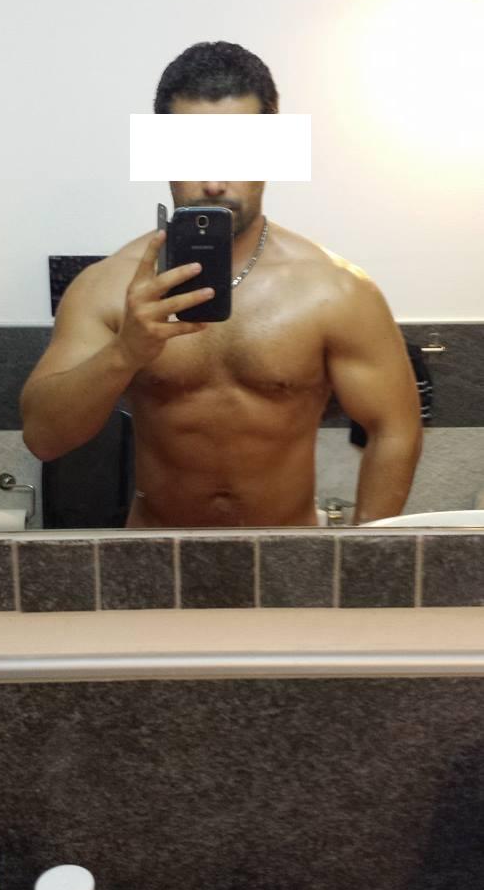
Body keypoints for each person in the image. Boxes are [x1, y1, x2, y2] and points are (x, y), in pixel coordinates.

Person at [21, 41, 422, 527]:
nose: (213, 182)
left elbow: (394, 428)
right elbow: (43, 438)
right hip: (155, 553)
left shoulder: (334, 291)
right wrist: (126, 352)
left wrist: (363, 553)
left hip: (286, 553)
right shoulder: (107, 288)